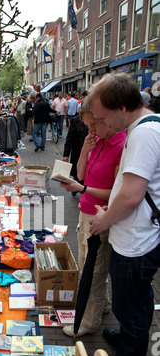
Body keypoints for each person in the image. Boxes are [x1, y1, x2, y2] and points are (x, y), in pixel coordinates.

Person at [88, 73, 160, 356]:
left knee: (130, 304)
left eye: (102, 118)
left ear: (121, 107)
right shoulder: (147, 126)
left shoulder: (144, 134)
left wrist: (104, 219)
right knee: (137, 300)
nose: (102, 125)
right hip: (137, 236)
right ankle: (132, 342)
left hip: (135, 242)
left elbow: (131, 195)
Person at [59, 99, 126, 338]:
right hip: (86, 212)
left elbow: (118, 192)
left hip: (101, 216)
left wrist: (84, 189)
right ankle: (102, 304)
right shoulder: (98, 141)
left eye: (92, 125)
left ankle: (88, 321)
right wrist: (85, 150)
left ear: (103, 120)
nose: (90, 131)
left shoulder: (121, 145)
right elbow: (81, 174)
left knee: (94, 270)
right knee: (90, 262)